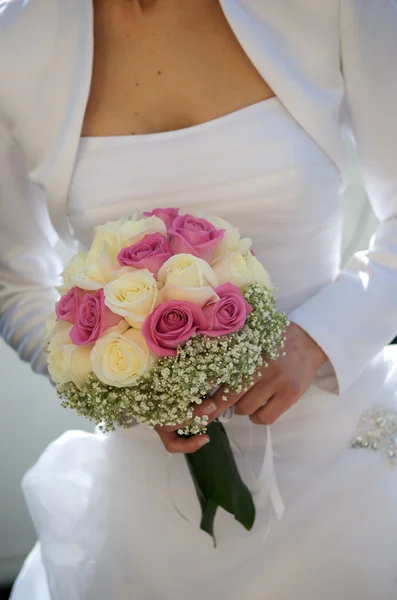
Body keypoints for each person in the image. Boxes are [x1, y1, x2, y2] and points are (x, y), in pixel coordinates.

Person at [1, 0, 397, 598]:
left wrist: (319, 339)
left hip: (343, 461)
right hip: (147, 501)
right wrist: (115, 386)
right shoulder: (16, 45)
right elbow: (15, 281)